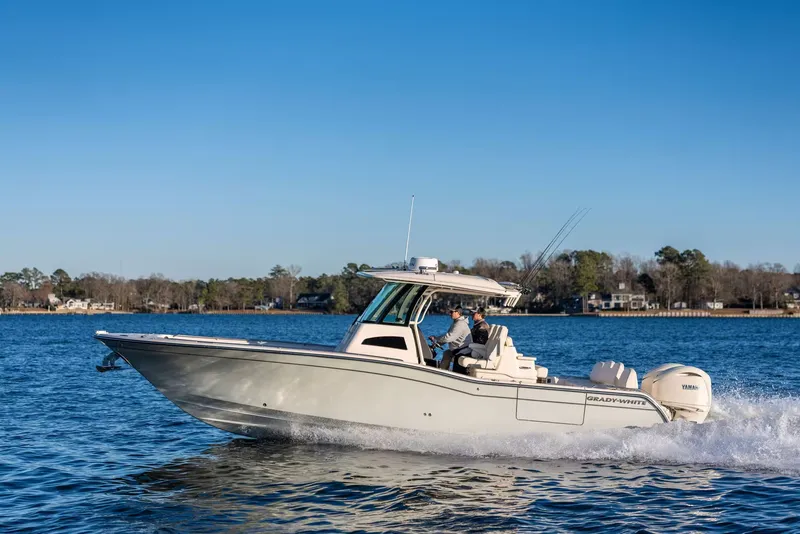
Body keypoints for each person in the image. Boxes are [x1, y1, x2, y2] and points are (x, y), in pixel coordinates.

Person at [428, 305, 470, 371]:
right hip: (457, 350)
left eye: (451, 312)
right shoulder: (456, 322)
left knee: (447, 354)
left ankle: (443, 372)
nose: (449, 313)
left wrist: (436, 339)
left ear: (457, 312)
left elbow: (449, 338)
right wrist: (438, 343)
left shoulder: (460, 324)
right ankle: (442, 371)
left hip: (463, 351)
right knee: (447, 353)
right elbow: (448, 336)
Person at [451, 307, 491, 374]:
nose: (472, 314)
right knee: (456, 352)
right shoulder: (478, 325)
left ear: (479, 314)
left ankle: (459, 375)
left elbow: (481, 342)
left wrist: (468, 345)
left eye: (474, 313)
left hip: (478, 350)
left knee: (458, 356)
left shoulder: (482, 326)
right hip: (473, 347)